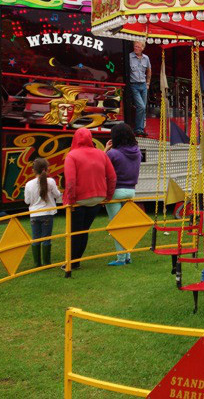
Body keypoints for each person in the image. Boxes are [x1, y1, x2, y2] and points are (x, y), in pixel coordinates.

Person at [63, 128, 116, 270]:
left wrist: (70, 200)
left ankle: (72, 263)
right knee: (84, 230)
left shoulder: (72, 156)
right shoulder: (101, 154)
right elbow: (112, 177)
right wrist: (108, 197)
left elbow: (70, 182)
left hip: (80, 199)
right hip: (97, 198)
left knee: (75, 232)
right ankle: (76, 261)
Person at [104, 123, 142, 266]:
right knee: (126, 225)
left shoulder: (113, 153)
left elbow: (102, 166)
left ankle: (121, 258)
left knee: (116, 226)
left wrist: (106, 150)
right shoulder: (137, 152)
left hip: (115, 191)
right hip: (131, 191)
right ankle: (128, 255)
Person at [25, 158, 61, 268]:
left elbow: (27, 201)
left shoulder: (28, 184)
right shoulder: (50, 181)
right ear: (46, 169)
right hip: (47, 213)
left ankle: (37, 263)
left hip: (34, 214)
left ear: (33, 170)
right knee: (46, 238)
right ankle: (46, 262)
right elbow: (57, 195)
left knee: (36, 238)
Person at [129, 41, 151, 136]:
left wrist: (148, 83)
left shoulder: (146, 58)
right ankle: (138, 128)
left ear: (142, 48)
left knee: (143, 108)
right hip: (134, 85)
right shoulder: (129, 56)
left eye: (138, 47)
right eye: (135, 46)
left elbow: (149, 70)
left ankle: (141, 129)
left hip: (143, 85)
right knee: (141, 106)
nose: (136, 48)